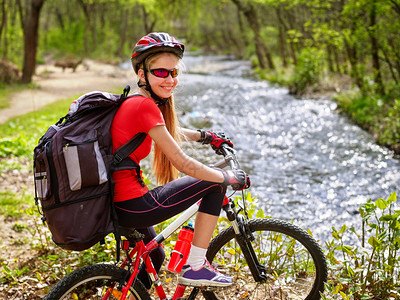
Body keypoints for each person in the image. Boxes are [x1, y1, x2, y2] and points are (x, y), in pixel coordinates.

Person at [111, 32, 250, 289]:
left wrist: (205, 136)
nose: (170, 79)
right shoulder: (144, 106)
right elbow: (182, 163)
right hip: (133, 204)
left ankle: (129, 293)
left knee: (155, 255)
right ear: (142, 74)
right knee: (213, 184)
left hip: (121, 204)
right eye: (161, 72)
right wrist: (226, 177)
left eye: (174, 73)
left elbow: (167, 132)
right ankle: (196, 266)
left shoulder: (136, 101)